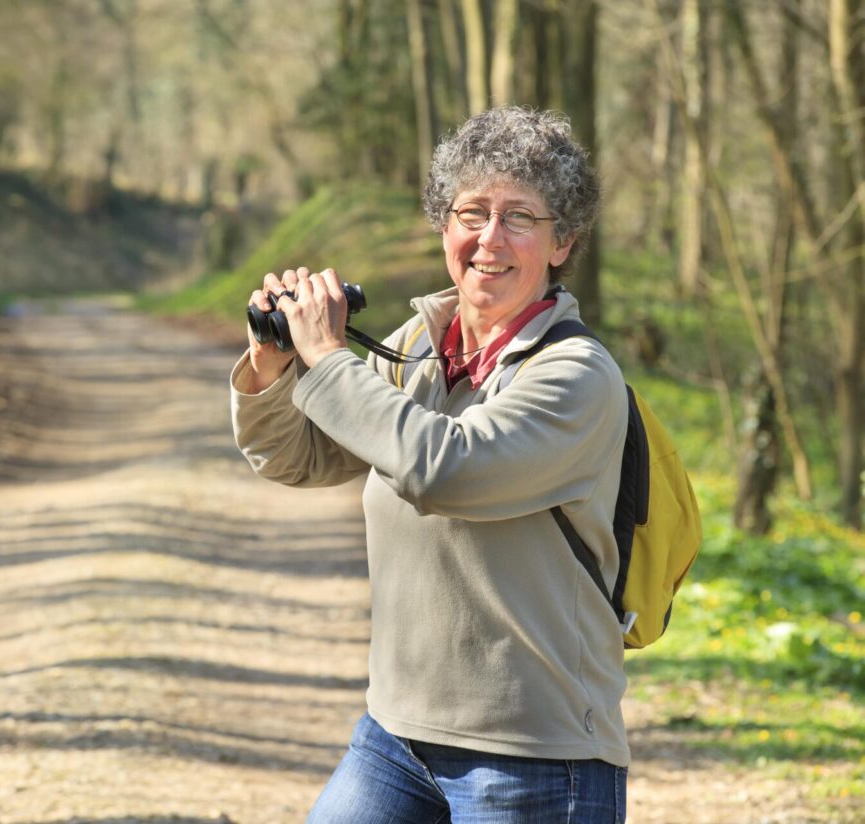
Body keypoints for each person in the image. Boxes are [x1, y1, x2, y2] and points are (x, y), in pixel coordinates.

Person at [230, 106, 629, 823]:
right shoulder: (420, 344)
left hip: (533, 756)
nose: (489, 239)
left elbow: (446, 470)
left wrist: (326, 357)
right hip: (394, 734)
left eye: (519, 219)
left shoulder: (577, 375)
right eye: (471, 212)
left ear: (563, 242)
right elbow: (299, 458)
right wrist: (273, 367)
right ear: (444, 226)